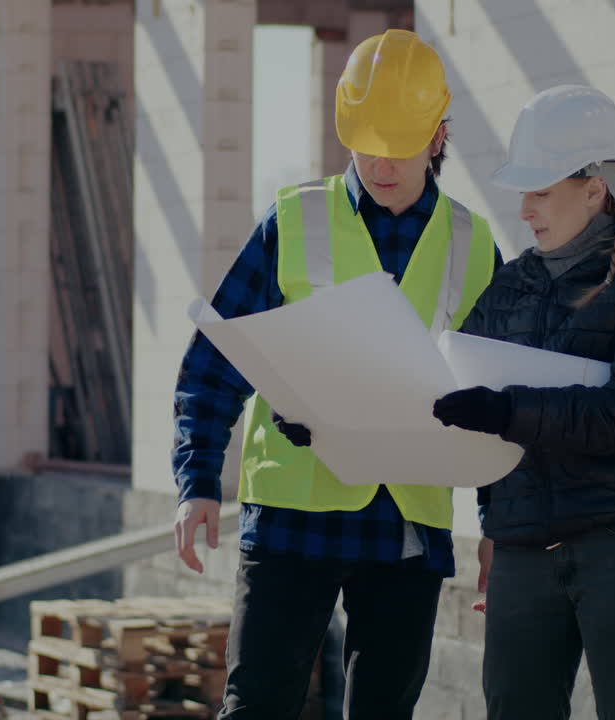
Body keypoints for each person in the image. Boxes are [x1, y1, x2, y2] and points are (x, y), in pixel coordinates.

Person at [172, 29, 503, 720]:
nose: (381, 162)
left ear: (438, 136)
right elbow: (217, 358)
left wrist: (503, 525)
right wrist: (197, 479)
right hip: (294, 516)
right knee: (257, 707)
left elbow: (501, 403)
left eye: (400, 144)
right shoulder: (293, 220)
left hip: (406, 525)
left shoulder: (474, 248)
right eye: (366, 142)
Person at [432, 84, 615, 719]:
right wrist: (332, 420)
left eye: (541, 190)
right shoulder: (510, 286)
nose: (524, 208)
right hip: (522, 554)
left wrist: (510, 411)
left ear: (595, 188)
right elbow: (445, 395)